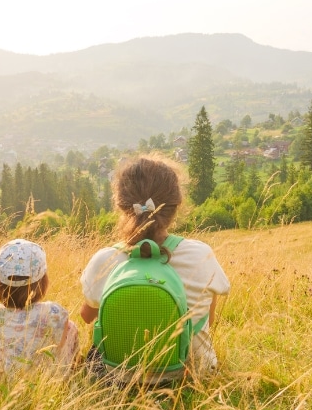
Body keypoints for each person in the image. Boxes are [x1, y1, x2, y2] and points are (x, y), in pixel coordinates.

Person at [79, 155, 230, 381]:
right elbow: (209, 319)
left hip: (121, 375)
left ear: (122, 206)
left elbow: (87, 317)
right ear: (176, 206)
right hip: (191, 374)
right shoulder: (201, 255)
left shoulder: (105, 260)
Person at [0, 239, 79, 375]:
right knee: (70, 327)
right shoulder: (53, 311)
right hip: (47, 382)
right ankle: (69, 372)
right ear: (43, 282)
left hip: (6, 382)